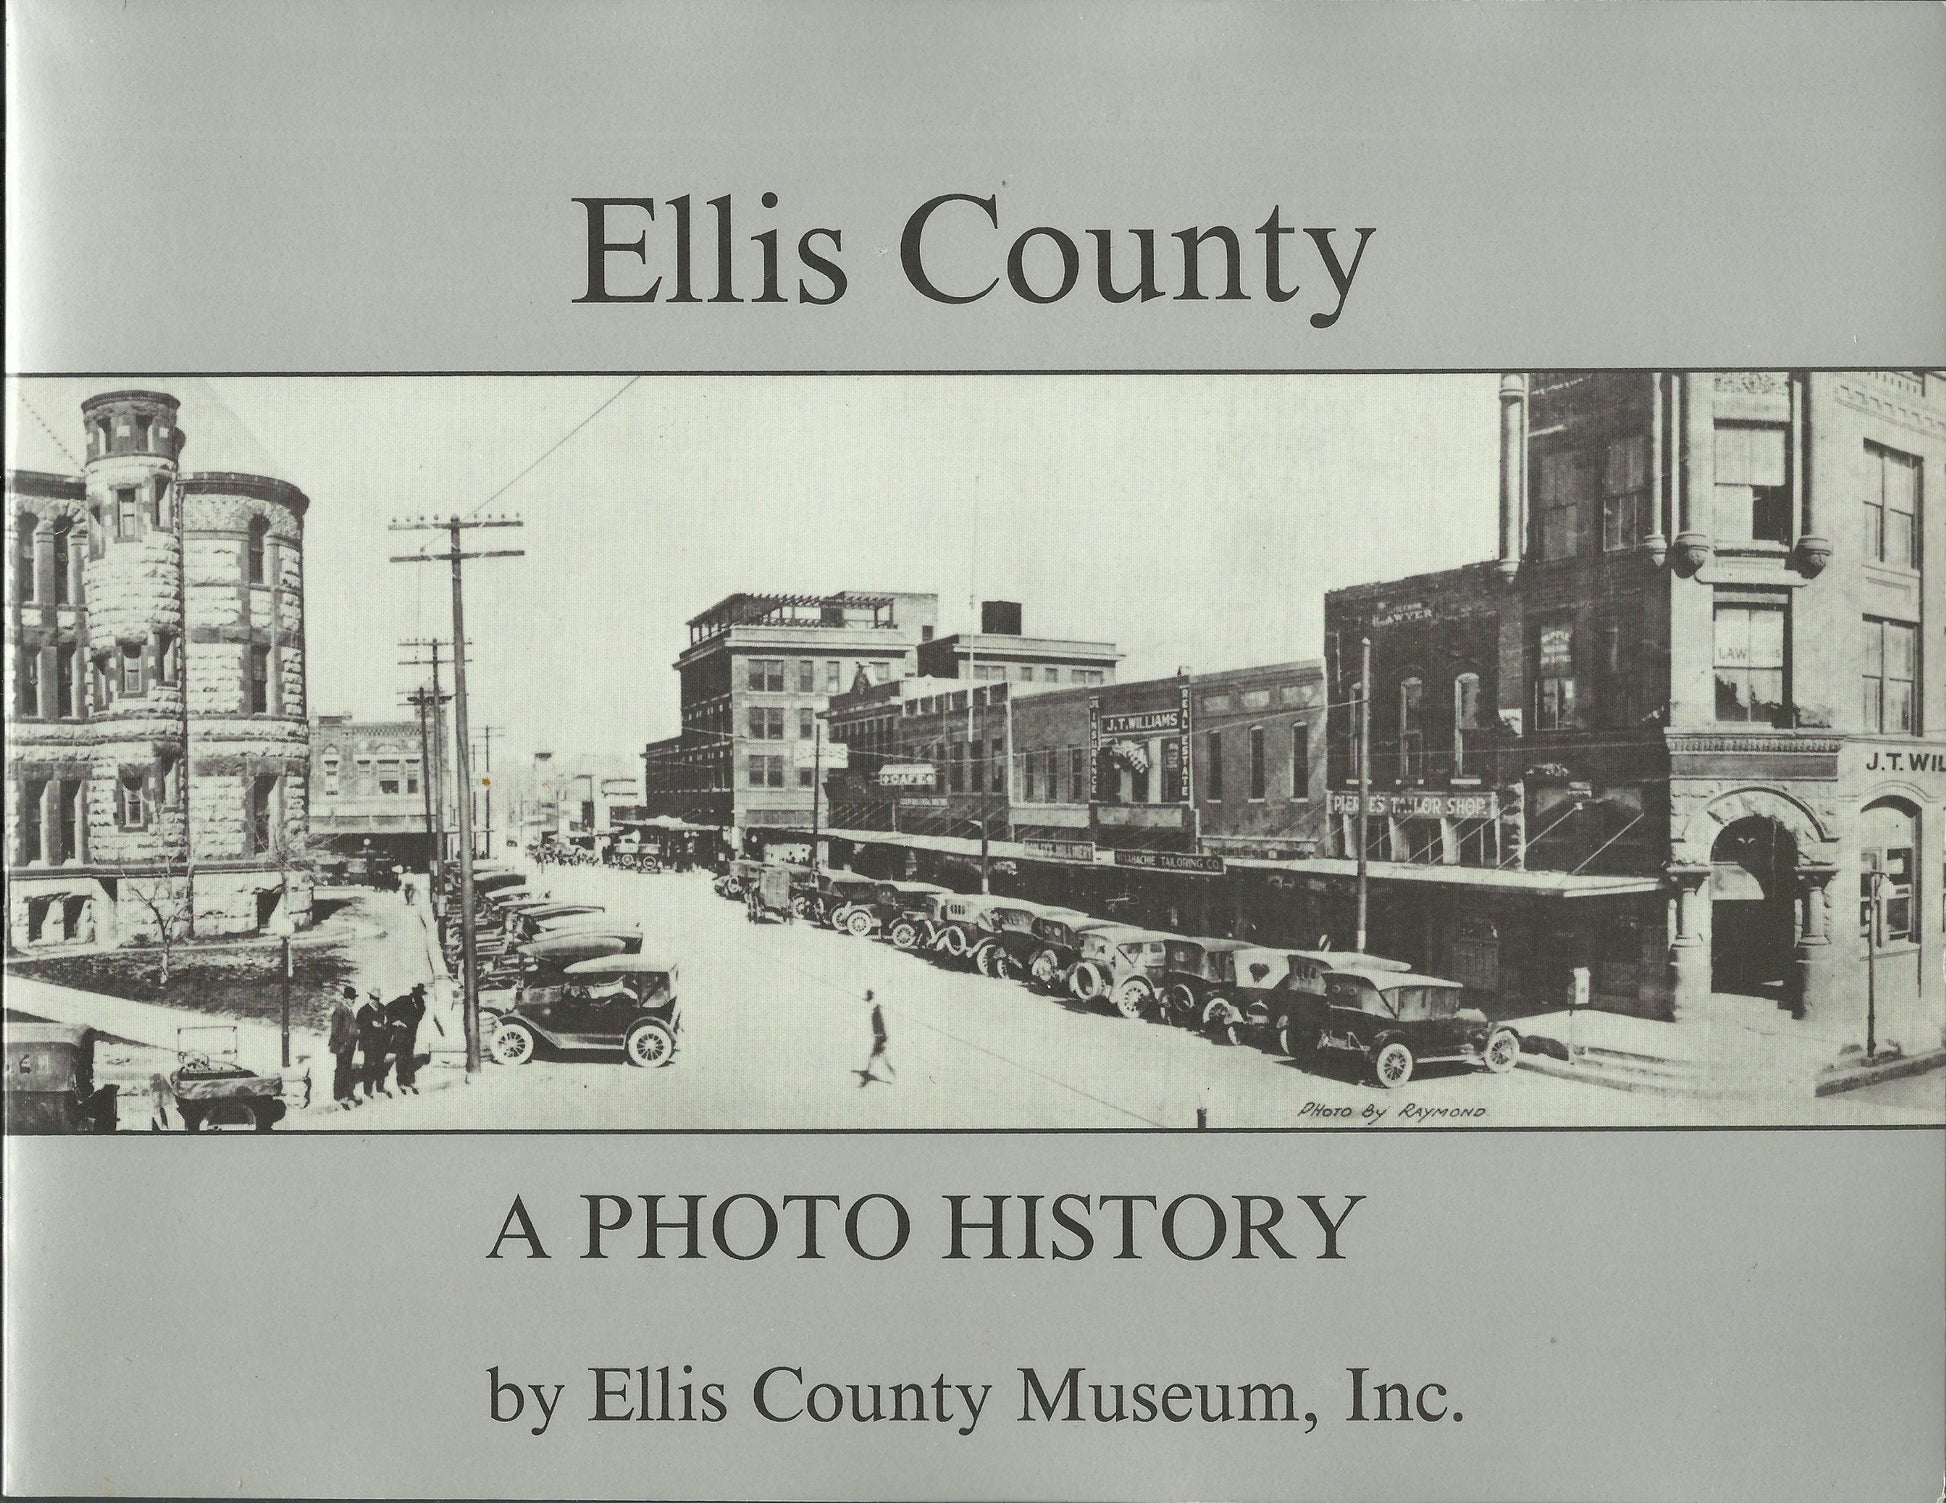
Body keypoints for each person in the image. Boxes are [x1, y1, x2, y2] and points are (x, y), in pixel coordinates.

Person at [388, 984, 427, 1095]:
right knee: (400, 1057)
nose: (419, 996)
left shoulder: (421, 1005)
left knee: (409, 1057)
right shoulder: (403, 1000)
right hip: (400, 1034)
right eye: (417, 994)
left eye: (420, 994)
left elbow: (418, 1018)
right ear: (413, 993)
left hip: (411, 1035)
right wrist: (396, 1021)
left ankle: (410, 1081)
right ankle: (400, 1081)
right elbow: (388, 1008)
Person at [328, 983, 361, 1108]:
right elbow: (335, 1030)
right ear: (346, 998)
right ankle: (339, 1095)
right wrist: (345, 1040)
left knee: (346, 1069)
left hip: (349, 1046)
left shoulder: (348, 1009)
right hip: (342, 1046)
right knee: (341, 1070)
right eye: (352, 998)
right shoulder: (340, 1010)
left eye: (354, 998)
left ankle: (347, 1093)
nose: (353, 1000)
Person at [356, 987, 391, 1099]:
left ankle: (380, 1087)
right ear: (370, 997)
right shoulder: (363, 1010)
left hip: (381, 1042)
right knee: (369, 1065)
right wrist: (370, 1024)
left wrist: (384, 1026)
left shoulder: (382, 1008)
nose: (375, 1001)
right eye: (374, 998)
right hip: (369, 1043)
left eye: (377, 999)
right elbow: (359, 1026)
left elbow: (387, 1021)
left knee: (380, 1064)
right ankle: (367, 1090)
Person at [854, 991, 894, 1087]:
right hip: (880, 1036)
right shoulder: (876, 1011)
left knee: (877, 1054)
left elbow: (880, 1024)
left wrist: (879, 1037)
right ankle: (889, 1069)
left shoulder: (876, 1014)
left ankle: (890, 1069)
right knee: (877, 1054)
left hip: (879, 1037)